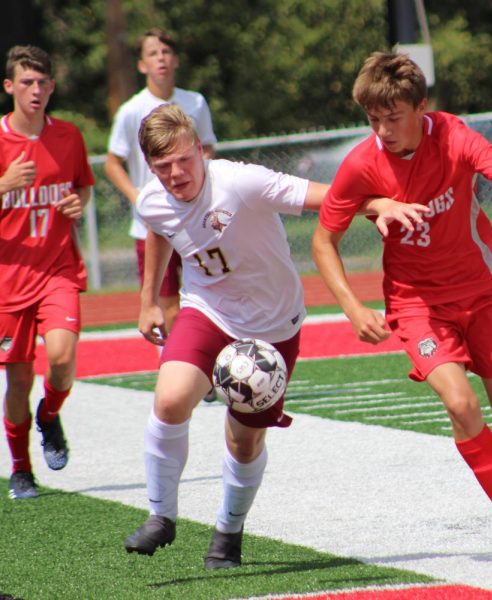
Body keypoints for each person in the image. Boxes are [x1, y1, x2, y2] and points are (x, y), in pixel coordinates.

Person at [123, 103, 425, 569]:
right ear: (151, 167)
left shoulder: (241, 182)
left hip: (272, 327)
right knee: (169, 401)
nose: (177, 173)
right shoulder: (151, 199)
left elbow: (327, 195)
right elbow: (159, 229)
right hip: (209, 313)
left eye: (184, 160)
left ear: (200, 151)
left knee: (244, 442)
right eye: (163, 167)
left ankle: (228, 531)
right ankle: (161, 516)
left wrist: (378, 204)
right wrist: (149, 301)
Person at [311, 51, 492, 564]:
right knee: (461, 405)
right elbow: (322, 243)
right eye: (373, 119)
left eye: (393, 117)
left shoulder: (455, 137)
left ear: (421, 108)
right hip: (417, 305)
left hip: (483, 291)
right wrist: (353, 308)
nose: (383, 129)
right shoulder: (362, 163)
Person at [0, 45, 94, 499]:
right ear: (9, 87)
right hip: (7, 280)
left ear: (52, 86)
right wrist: (3, 185)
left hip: (58, 269)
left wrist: (78, 204)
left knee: (61, 358)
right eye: (26, 83)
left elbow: (82, 188)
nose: (35, 91)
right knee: (18, 379)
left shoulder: (69, 137)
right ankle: (20, 469)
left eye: (42, 83)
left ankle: (50, 417)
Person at [104, 28, 216, 337]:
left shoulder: (194, 103)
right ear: (142, 65)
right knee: (168, 305)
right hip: (153, 225)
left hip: (196, 217)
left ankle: (205, 365)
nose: (161, 58)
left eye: (165, 52)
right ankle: (179, 366)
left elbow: (206, 148)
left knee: (208, 294)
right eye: (152, 53)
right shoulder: (131, 110)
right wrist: (139, 199)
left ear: (176, 60)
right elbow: (113, 163)